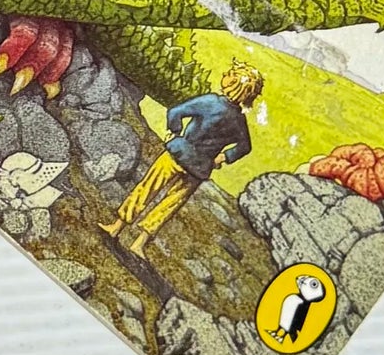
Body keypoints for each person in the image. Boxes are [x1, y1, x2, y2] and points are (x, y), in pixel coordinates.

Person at [102, 61, 264, 254]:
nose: (225, 75)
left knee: (147, 188)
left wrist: (174, 132)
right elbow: (244, 147)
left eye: (230, 74)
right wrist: (222, 158)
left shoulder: (211, 102)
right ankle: (139, 244)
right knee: (171, 204)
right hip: (199, 168)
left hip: (178, 154)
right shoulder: (239, 121)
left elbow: (176, 112)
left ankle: (116, 227)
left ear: (234, 84)